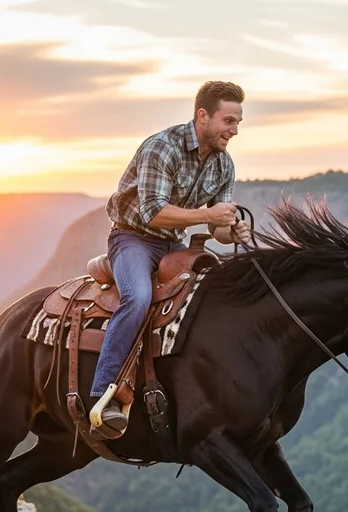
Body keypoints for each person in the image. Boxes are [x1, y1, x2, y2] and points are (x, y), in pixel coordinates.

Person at [90, 80, 250, 433]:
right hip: (133, 238)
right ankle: (104, 393)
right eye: (228, 121)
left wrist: (232, 229)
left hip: (175, 246)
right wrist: (210, 216)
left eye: (238, 122)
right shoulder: (162, 147)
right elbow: (153, 212)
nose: (234, 131)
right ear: (202, 116)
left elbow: (216, 230)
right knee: (138, 298)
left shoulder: (224, 165)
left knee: (216, 299)